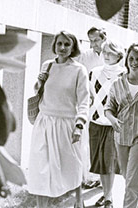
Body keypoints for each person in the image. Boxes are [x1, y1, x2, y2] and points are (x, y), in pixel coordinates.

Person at [27, 31, 89, 208]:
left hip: (67, 124)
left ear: (73, 47)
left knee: (72, 167)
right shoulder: (47, 65)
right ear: (54, 45)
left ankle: (78, 201)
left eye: (67, 44)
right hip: (44, 122)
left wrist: (79, 125)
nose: (62, 48)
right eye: (59, 43)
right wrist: (39, 83)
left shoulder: (79, 70)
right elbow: (39, 92)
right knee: (40, 169)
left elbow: (84, 100)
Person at [105, 43, 138, 208]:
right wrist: (112, 120)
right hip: (121, 135)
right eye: (131, 59)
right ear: (126, 61)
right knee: (127, 175)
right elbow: (109, 109)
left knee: (132, 181)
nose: (134, 62)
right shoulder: (117, 84)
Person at [88, 40, 126, 208]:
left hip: (114, 124)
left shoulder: (125, 74)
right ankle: (105, 195)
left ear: (119, 54)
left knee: (109, 160)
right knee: (100, 163)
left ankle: (109, 197)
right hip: (95, 121)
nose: (106, 56)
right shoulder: (94, 72)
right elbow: (89, 95)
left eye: (110, 52)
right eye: (104, 52)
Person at [77, 26, 107, 190]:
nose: (93, 44)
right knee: (87, 139)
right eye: (91, 41)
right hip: (90, 103)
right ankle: (89, 176)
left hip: (108, 104)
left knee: (105, 141)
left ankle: (104, 178)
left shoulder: (112, 53)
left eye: (96, 40)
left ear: (104, 38)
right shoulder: (85, 56)